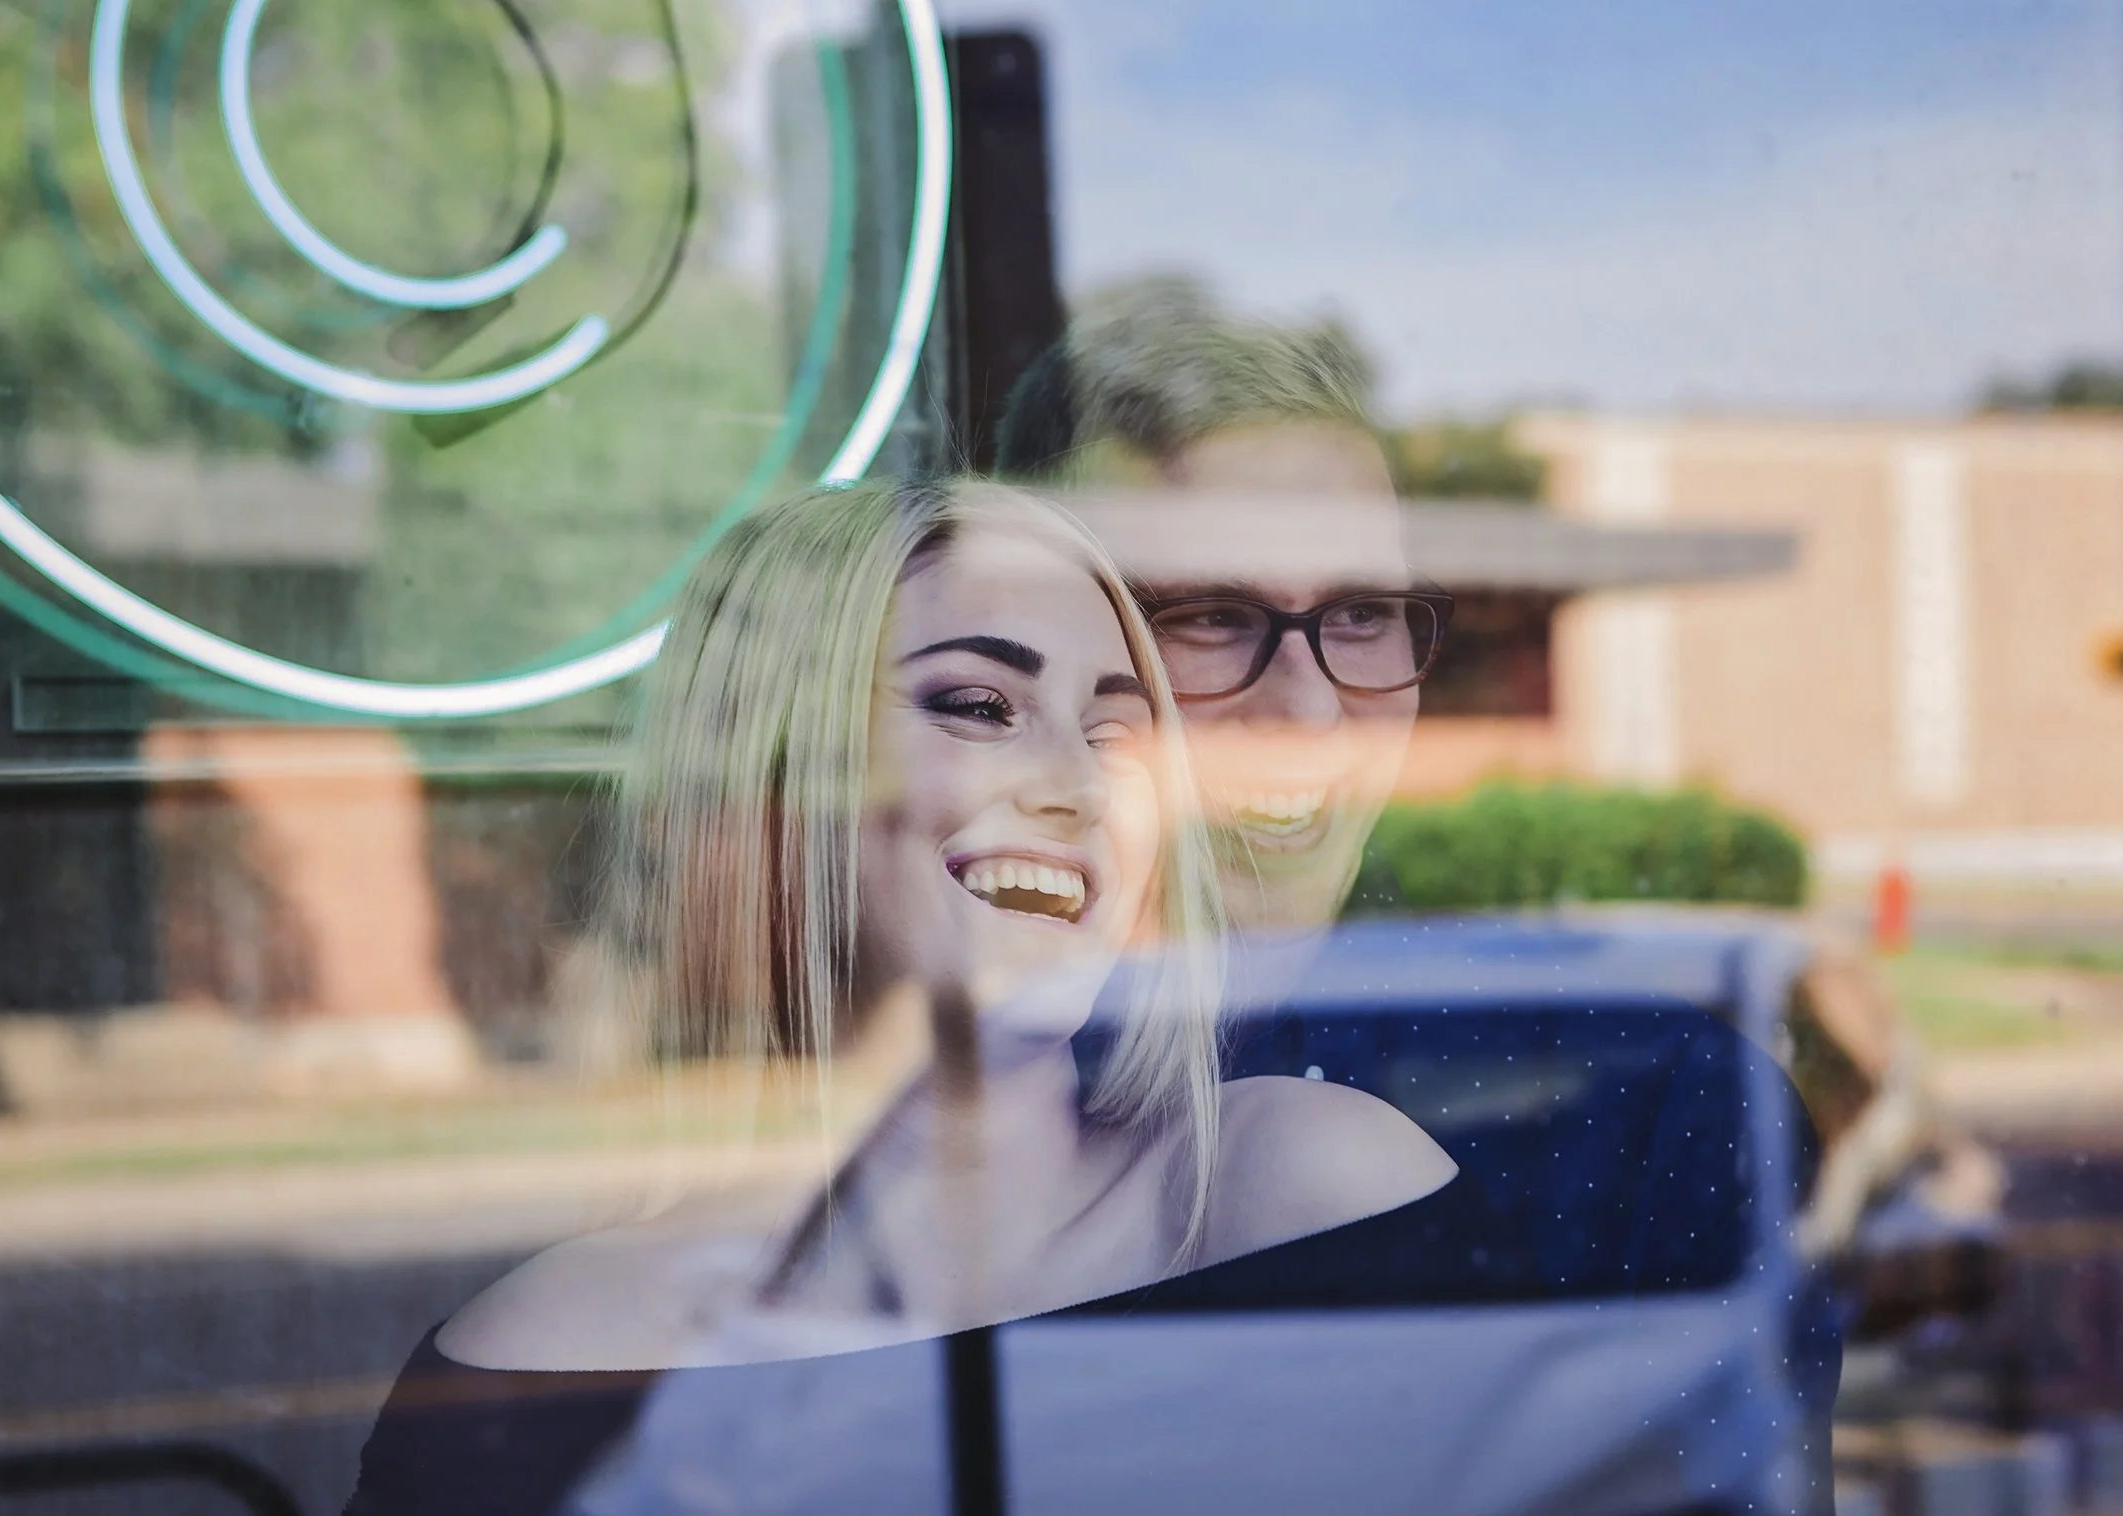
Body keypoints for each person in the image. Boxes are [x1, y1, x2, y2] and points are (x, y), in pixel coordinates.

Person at [343, 477, 1451, 1513]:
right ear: (773, 777)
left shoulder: (1298, 1194)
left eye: (1115, 730)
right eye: (978, 705)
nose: (1074, 783)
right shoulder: (545, 1351)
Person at [996, 277, 1440, 936]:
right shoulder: (966, 1022)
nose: (1310, 712)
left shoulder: (1472, 1002)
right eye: (1213, 616)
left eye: (1361, 613)